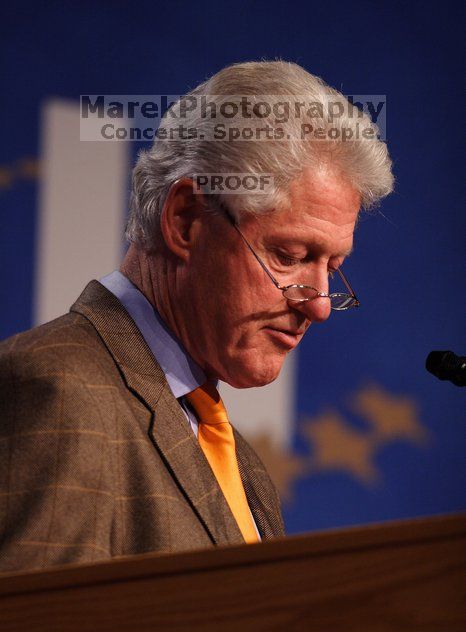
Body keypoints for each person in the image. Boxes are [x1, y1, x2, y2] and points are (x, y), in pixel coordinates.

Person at [0, 60, 393, 572]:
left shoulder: (243, 467)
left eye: (332, 267)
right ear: (186, 221)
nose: (318, 305)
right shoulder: (57, 389)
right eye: (291, 256)